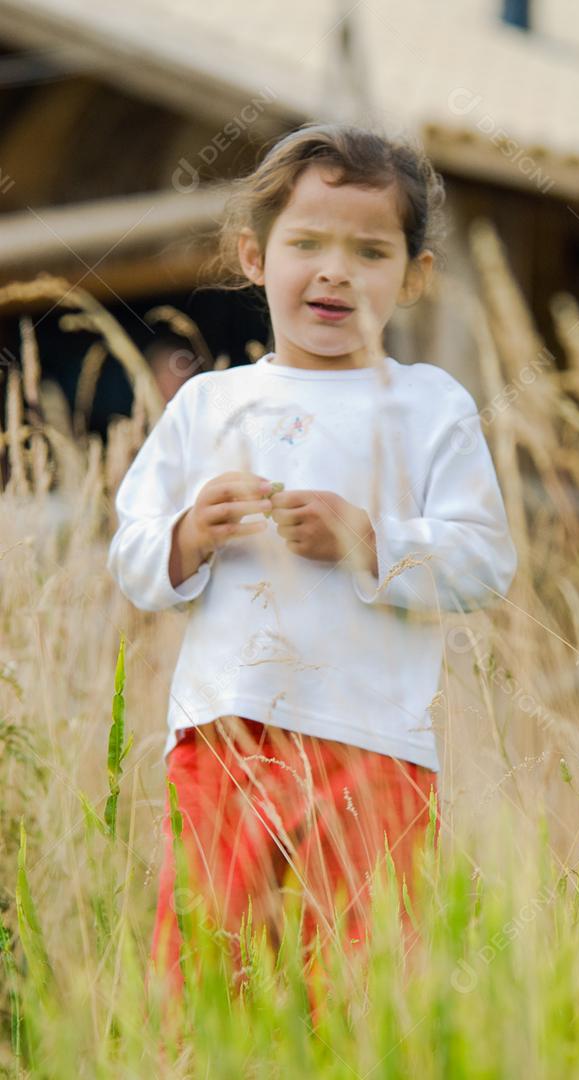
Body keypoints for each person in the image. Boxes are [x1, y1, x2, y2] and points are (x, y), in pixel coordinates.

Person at [106, 121, 517, 1023]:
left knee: (361, 990)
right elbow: (131, 555)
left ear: (414, 277)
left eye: (369, 251)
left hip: (375, 750)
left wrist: (371, 540)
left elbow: (486, 562)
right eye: (306, 244)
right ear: (255, 257)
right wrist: (187, 536)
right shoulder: (212, 404)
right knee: (207, 978)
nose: (334, 271)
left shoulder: (427, 406)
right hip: (223, 742)